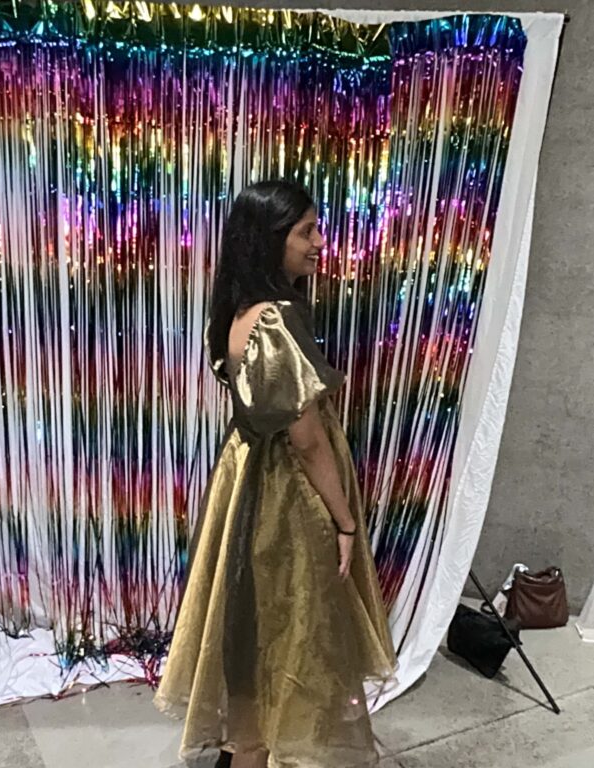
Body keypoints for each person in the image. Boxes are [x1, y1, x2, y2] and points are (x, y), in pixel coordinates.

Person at [154, 181, 396, 767]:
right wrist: (344, 522)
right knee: (296, 630)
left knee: (252, 627)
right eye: (305, 232)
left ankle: (248, 746)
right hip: (288, 495)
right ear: (269, 240)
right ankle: (265, 750)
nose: (320, 243)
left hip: (245, 480)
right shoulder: (278, 321)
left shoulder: (239, 311)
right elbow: (306, 439)